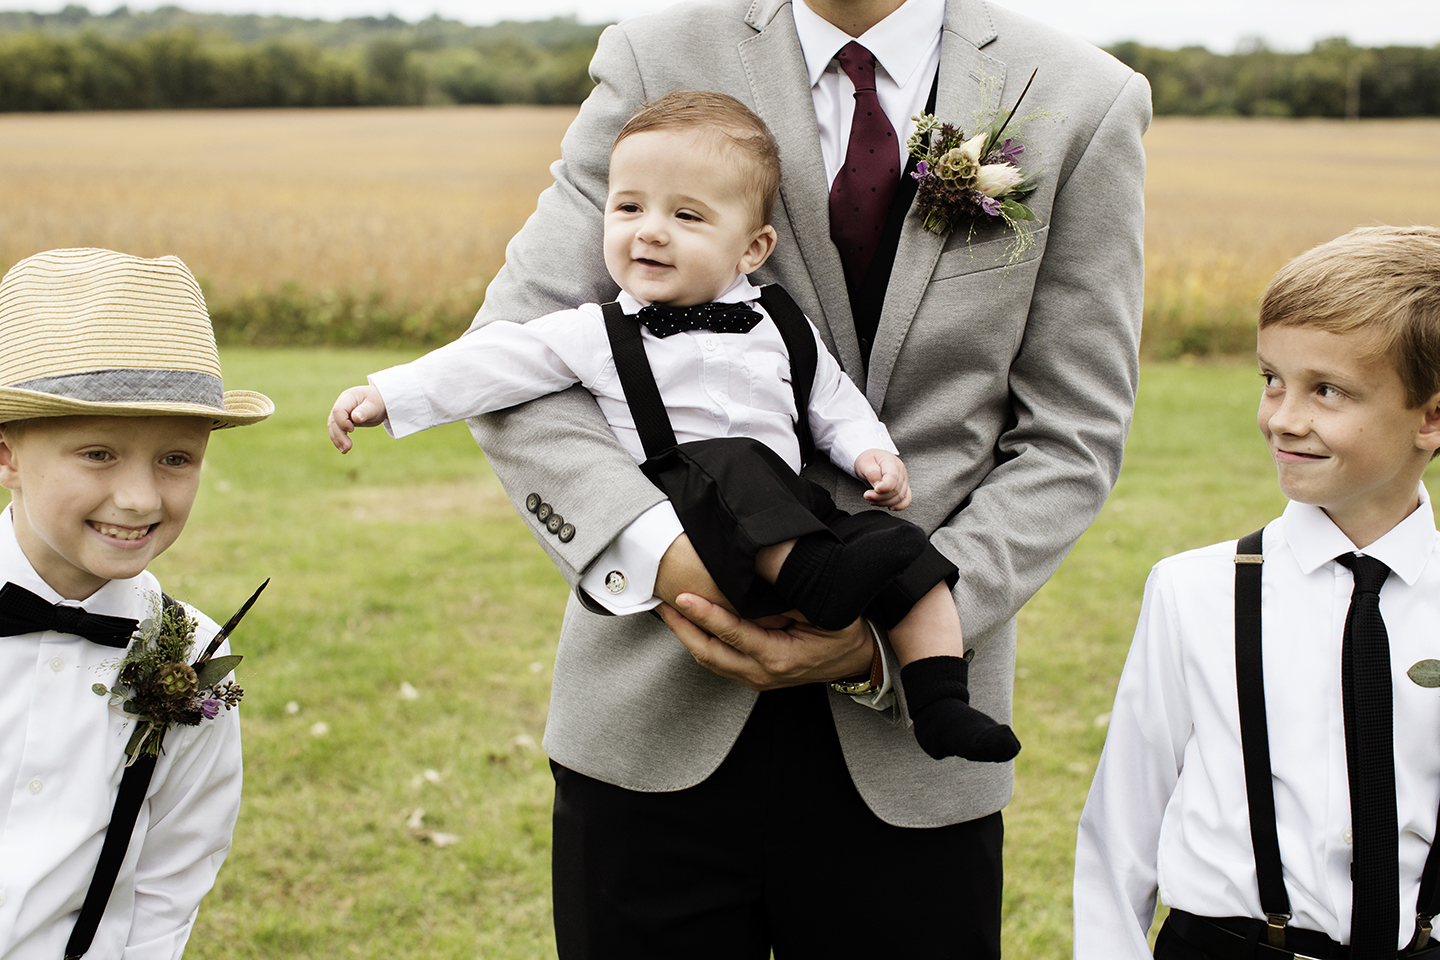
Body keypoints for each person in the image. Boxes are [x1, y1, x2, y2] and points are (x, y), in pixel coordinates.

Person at [456, 0, 1148, 954]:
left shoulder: (1085, 99)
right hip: (656, 711)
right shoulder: (655, 57)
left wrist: (889, 635)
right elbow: (511, 357)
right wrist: (668, 558)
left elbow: (1071, 435)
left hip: (911, 747)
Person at [329, 91, 1020, 764]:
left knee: (906, 552)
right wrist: (389, 395)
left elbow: (830, 398)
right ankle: (816, 579)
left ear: (753, 248)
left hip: (790, 515)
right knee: (736, 462)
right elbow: (496, 361)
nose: (649, 230)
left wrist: (873, 454)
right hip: (696, 512)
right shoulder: (594, 332)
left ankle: (938, 703)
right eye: (627, 207)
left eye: (686, 216)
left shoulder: (779, 320)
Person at [1074, 226, 1440, 959]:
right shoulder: (1194, 592)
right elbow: (1121, 835)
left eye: (1327, 391)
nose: (1284, 417)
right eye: (1272, 379)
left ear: (1430, 417)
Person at [0, 247, 273, 959]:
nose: (140, 498)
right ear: (6, 454)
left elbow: (172, 877)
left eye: (176, 459)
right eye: (98, 453)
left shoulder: (194, 662)